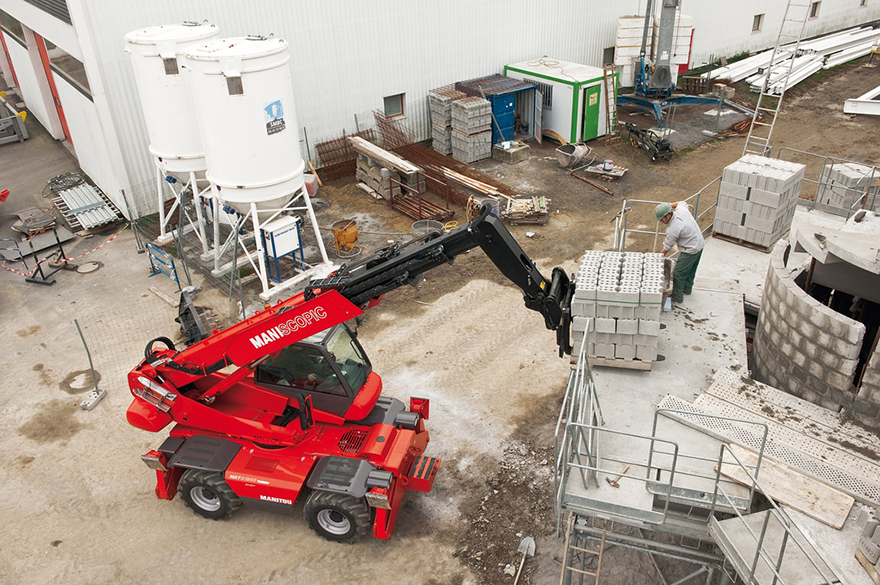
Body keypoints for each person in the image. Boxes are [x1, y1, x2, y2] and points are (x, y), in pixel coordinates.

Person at [655, 201, 704, 304]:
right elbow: (682, 203)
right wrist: (669, 205)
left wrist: (656, 258)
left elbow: (667, 247)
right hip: (700, 243)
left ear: (668, 216)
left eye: (661, 219)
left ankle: (677, 297)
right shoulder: (681, 210)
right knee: (691, 269)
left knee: (678, 273)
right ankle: (687, 289)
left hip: (690, 249)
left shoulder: (674, 228)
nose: (660, 222)